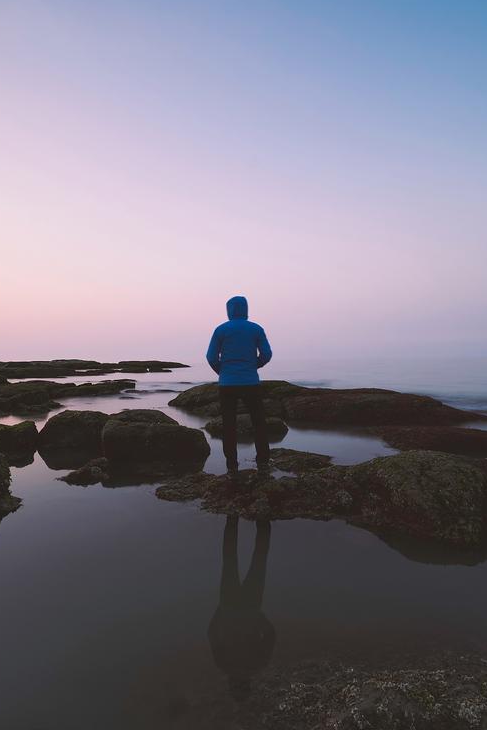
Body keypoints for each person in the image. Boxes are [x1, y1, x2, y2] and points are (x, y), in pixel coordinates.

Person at [208, 514, 275, 701]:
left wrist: (258, 617)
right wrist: (220, 610)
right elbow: (211, 632)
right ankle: (232, 516)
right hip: (229, 606)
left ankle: (263, 518)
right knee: (230, 559)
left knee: (259, 558)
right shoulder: (223, 665)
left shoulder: (257, 665)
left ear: (249, 685)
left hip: (250, 607)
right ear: (231, 684)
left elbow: (270, 635)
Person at [205, 295, 273, 472]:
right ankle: (263, 461)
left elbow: (211, 357)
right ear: (246, 309)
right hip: (251, 382)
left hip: (227, 384)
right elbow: (266, 354)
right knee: (259, 422)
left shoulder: (221, 330)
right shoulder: (256, 329)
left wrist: (223, 371)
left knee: (229, 424)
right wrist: (254, 365)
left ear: (229, 310)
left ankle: (232, 464)